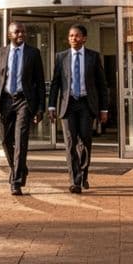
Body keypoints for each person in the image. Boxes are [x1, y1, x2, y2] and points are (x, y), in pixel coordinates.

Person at [0, 21, 45, 196]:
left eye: (23, 31)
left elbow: (40, 83)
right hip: (4, 101)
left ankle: (16, 181)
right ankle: (19, 168)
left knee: (20, 140)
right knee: (5, 140)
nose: (21, 34)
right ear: (9, 35)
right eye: (17, 32)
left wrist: (40, 108)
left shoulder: (33, 53)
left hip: (24, 102)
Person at [48, 23, 108, 194]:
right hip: (68, 105)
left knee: (85, 142)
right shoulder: (61, 57)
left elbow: (102, 85)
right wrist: (52, 105)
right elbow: (55, 84)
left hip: (86, 104)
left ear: (84, 38)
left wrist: (104, 109)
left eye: (77, 35)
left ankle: (83, 173)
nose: (73, 38)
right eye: (71, 36)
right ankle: (74, 180)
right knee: (70, 142)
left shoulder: (94, 57)